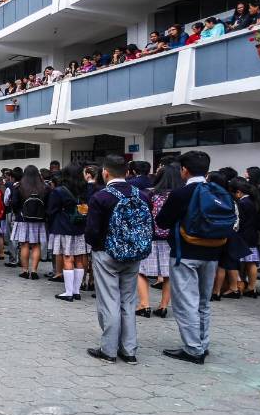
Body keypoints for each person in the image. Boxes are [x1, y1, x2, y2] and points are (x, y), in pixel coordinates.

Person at [155, 151, 226, 364]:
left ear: (184, 170)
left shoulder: (180, 194)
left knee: (186, 302)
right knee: (203, 302)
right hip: (213, 252)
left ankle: (193, 349)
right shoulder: (220, 192)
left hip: (185, 254)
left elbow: (163, 221)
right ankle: (202, 344)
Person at [85, 155, 152, 364]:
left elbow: (92, 231)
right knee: (128, 301)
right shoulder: (142, 195)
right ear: (127, 172)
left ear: (105, 172)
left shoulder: (100, 197)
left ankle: (109, 350)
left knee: (109, 301)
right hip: (134, 254)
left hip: (107, 253)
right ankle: (129, 350)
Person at [137, 164, 182, 318]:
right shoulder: (179, 196)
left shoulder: (149, 195)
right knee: (168, 273)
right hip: (171, 239)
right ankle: (163, 306)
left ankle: (144, 305)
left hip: (150, 237)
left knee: (141, 271)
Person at [48, 164, 91, 302]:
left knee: (68, 258)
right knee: (79, 258)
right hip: (81, 227)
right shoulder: (86, 189)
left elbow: (51, 210)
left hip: (64, 226)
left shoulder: (60, 191)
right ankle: (76, 291)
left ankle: (68, 292)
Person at [11, 165, 48, 279]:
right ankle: (35, 271)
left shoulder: (19, 187)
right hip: (39, 220)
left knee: (24, 244)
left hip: (23, 219)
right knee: (36, 245)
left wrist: (18, 212)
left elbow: (14, 203)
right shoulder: (44, 187)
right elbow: (47, 204)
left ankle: (25, 270)